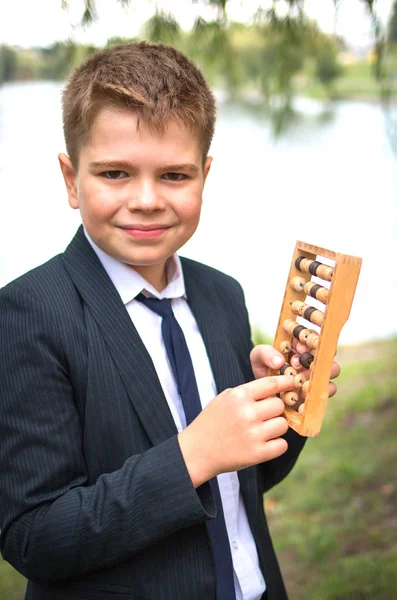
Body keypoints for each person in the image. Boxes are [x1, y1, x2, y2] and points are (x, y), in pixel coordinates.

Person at [0, 41, 339, 600]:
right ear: (69, 178)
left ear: (205, 174)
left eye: (175, 176)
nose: (147, 200)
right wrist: (192, 455)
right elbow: (36, 537)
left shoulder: (221, 294)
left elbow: (242, 485)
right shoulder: (30, 313)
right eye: (114, 173)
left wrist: (279, 413)